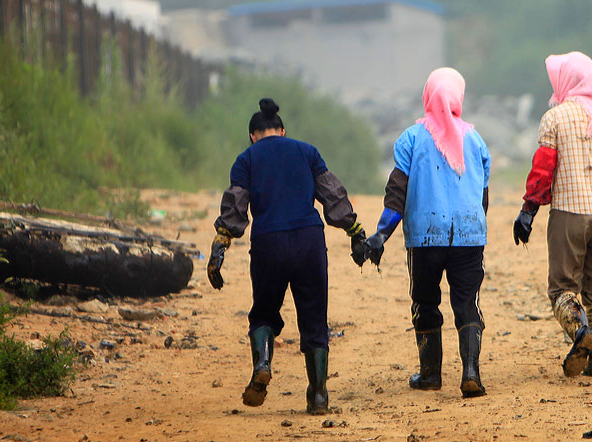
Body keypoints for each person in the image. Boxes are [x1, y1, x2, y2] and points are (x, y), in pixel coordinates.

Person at [207, 98, 367, 414]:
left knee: (264, 313)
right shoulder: (308, 152)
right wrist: (356, 231)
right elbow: (332, 195)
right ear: (282, 131)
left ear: (253, 135)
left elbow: (236, 206)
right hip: (309, 241)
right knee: (314, 318)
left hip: (268, 243)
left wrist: (220, 243)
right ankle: (318, 396)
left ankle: (263, 363)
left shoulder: (245, 160)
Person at [364, 68, 491, 398]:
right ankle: (471, 372)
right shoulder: (476, 140)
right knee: (467, 303)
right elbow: (483, 197)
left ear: (428, 96)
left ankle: (431, 374)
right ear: (458, 97)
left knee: (425, 301)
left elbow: (397, 191)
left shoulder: (411, 138)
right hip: (469, 236)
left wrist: (381, 234)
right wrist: (471, 230)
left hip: (425, 238)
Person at [512, 52, 592, 379]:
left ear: (566, 81)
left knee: (562, 288)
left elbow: (543, 169)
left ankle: (580, 332)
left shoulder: (554, 118)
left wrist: (528, 210)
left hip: (569, 214)